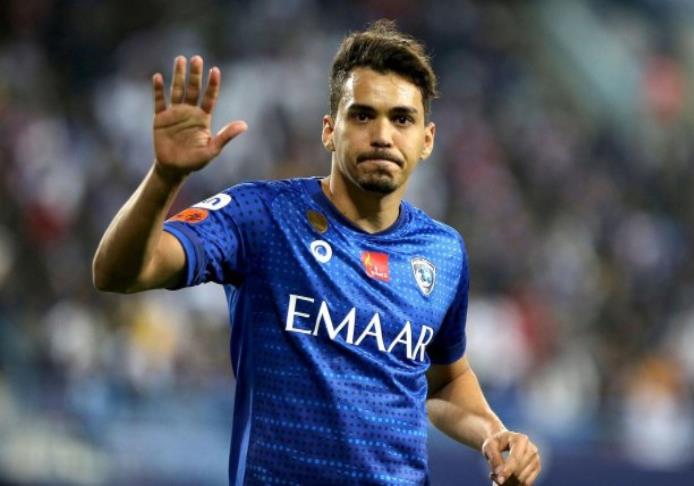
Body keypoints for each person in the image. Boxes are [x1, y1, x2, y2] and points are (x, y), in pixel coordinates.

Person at [93, 20, 541, 486]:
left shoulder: (442, 252)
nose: (382, 135)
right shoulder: (262, 216)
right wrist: (165, 177)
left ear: (426, 139)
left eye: (402, 119)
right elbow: (117, 272)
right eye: (362, 115)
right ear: (330, 130)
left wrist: (494, 434)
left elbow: (446, 379)